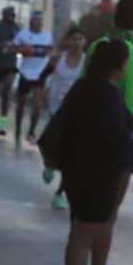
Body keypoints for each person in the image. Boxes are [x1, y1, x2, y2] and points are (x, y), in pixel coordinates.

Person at [48, 38, 133, 265]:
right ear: (120, 66)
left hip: (76, 173)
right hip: (98, 176)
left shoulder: (82, 88)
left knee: (81, 234)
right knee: (82, 238)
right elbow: (116, 140)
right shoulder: (107, 95)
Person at [80, 0, 133, 265]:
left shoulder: (97, 46)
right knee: (107, 217)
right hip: (115, 149)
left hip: (85, 142)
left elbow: (82, 91)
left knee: (81, 219)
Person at [40, 27, 88, 211]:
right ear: (67, 41)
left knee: (72, 155)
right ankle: (49, 164)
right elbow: (43, 76)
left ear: (84, 42)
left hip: (76, 111)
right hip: (56, 110)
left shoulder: (87, 62)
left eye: (80, 38)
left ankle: (59, 193)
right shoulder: (58, 59)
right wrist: (42, 92)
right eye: (74, 38)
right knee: (53, 144)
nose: (77, 42)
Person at [13, 10, 54, 144]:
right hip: (25, 72)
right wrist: (22, 50)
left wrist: (48, 54)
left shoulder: (47, 36)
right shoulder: (23, 34)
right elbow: (13, 49)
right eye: (37, 20)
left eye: (41, 20)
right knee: (21, 104)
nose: (39, 22)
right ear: (31, 20)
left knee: (37, 104)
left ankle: (31, 131)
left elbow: (50, 51)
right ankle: (18, 128)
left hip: (39, 73)